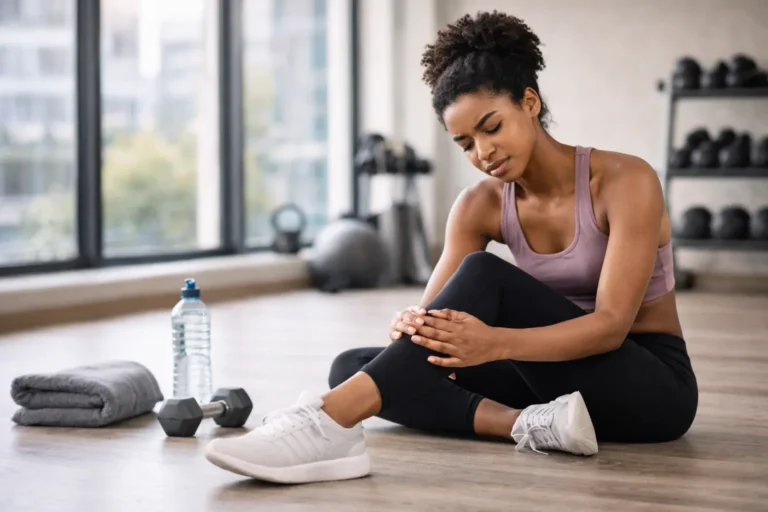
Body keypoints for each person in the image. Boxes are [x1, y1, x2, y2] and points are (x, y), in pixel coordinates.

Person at [204, 10, 698, 484]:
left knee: (485, 274)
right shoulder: (478, 205)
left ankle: (328, 422)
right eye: (465, 143)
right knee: (353, 367)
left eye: (491, 127)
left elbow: (611, 328)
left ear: (529, 103)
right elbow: (430, 322)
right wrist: (414, 325)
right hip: (549, 381)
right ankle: (529, 424)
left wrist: (494, 342)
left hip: (648, 388)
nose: (483, 153)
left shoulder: (623, 179)